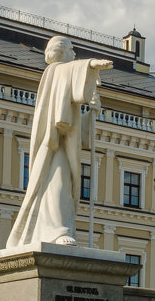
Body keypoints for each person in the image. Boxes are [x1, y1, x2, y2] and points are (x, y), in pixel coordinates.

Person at [7, 37, 111, 249]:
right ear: (61, 52)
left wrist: (91, 112)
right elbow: (69, 73)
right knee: (58, 182)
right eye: (72, 50)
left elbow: (77, 129)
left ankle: (59, 228)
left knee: (62, 184)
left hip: (63, 141)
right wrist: (91, 65)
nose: (75, 55)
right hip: (52, 142)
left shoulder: (61, 79)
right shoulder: (54, 71)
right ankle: (58, 230)